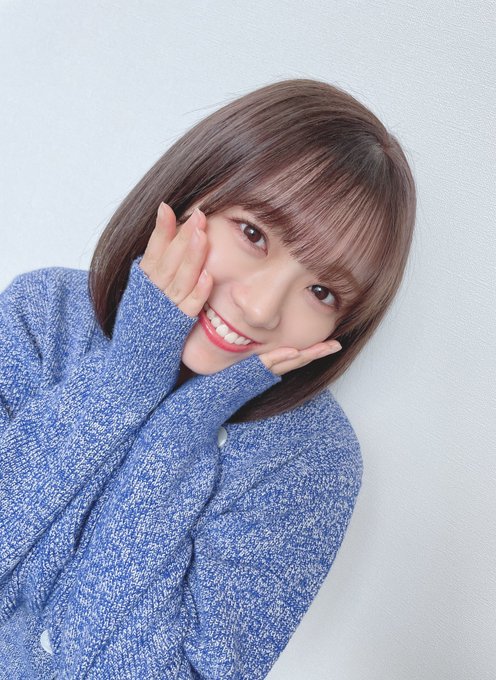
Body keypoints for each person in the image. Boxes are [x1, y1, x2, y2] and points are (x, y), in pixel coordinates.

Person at [0, 78, 416, 678]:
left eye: (322, 291)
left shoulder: (310, 462)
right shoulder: (44, 316)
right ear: (194, 192)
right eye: (253, 234)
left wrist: (180, 435)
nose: (262, 308)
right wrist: (128, 377)